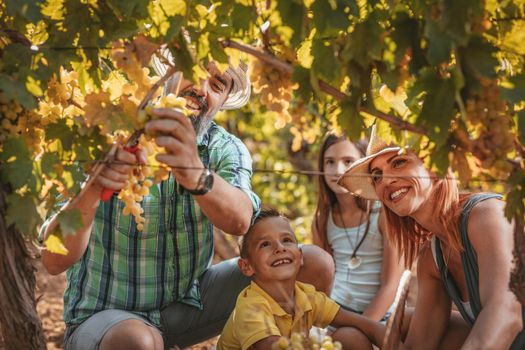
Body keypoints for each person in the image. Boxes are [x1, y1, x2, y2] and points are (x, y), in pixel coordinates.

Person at [39, 59, 335, 350]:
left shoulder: (225, 148)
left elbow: (241, 220)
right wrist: (93, 189)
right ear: (168, 73)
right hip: (105, 321)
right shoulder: (107, 132)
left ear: (224, 101)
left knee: (313, 265)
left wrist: (196, 174)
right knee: (139, 340)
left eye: (217, 85)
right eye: (193, 73)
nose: (202, 89)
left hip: (188, 308)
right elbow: (53, 262)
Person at [337, 125, 525, 349]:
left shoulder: (485, 215)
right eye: (377, 176)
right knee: (401, 321)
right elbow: (419, 345)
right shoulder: (431, 258)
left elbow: (507, 313)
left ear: (435, 166)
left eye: (398, 162)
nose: (385, 181)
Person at [217, 208, 390, 350]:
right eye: (265, 244)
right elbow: (273, 347)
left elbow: (367, 325)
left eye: (286, 240)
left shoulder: (306, 296)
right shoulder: (250, 308)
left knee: (351, 337)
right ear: (247, 267)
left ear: (300, 256)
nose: (280, 248)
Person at [313, 132, 403, 323]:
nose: (337, 170)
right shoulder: (322, 219)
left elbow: (391, 286)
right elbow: (322, 282)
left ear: (363, 166)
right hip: (337, 313)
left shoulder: (384, 213)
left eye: (348, 161)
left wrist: (362, 328)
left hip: (380, 316)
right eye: (329, 162)